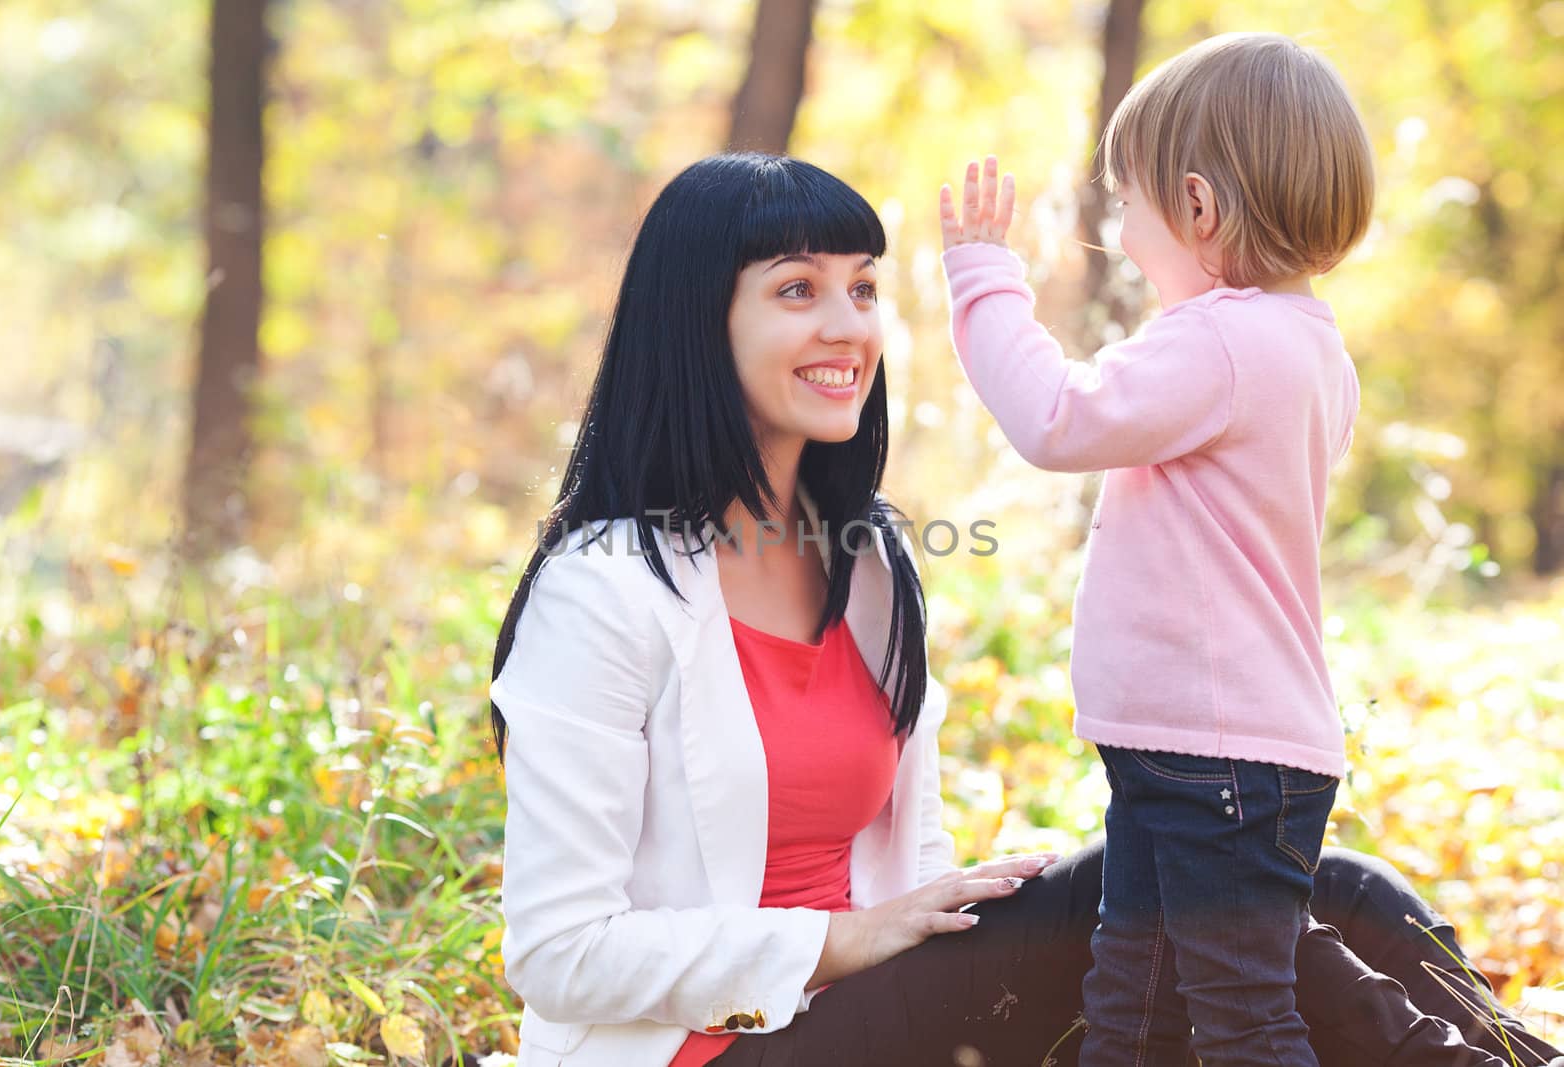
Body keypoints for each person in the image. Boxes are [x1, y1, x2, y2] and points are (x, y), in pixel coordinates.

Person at [489, 151, 1563, 1067]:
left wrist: (966, 907)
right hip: (712, 1043)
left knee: (1330, 883)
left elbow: (917, 868)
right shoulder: (605, 588)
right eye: (796, 290)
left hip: (880, 1010)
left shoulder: (865, 560)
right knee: (1204, 882)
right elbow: (559, 949)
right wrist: (840, 940)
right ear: (696, 320)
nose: (847, 325)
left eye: (863, 289)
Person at [940, 33, 1374, 1066]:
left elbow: (1055, 419)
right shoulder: (1310, 348)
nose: (1121, 237)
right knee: (1133, 1005)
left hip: (1214, 759)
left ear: (1197, 207)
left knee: (1237, 1019)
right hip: (1200, 755)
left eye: (1125, 207)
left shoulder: (1222, 339)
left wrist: (983, 284)